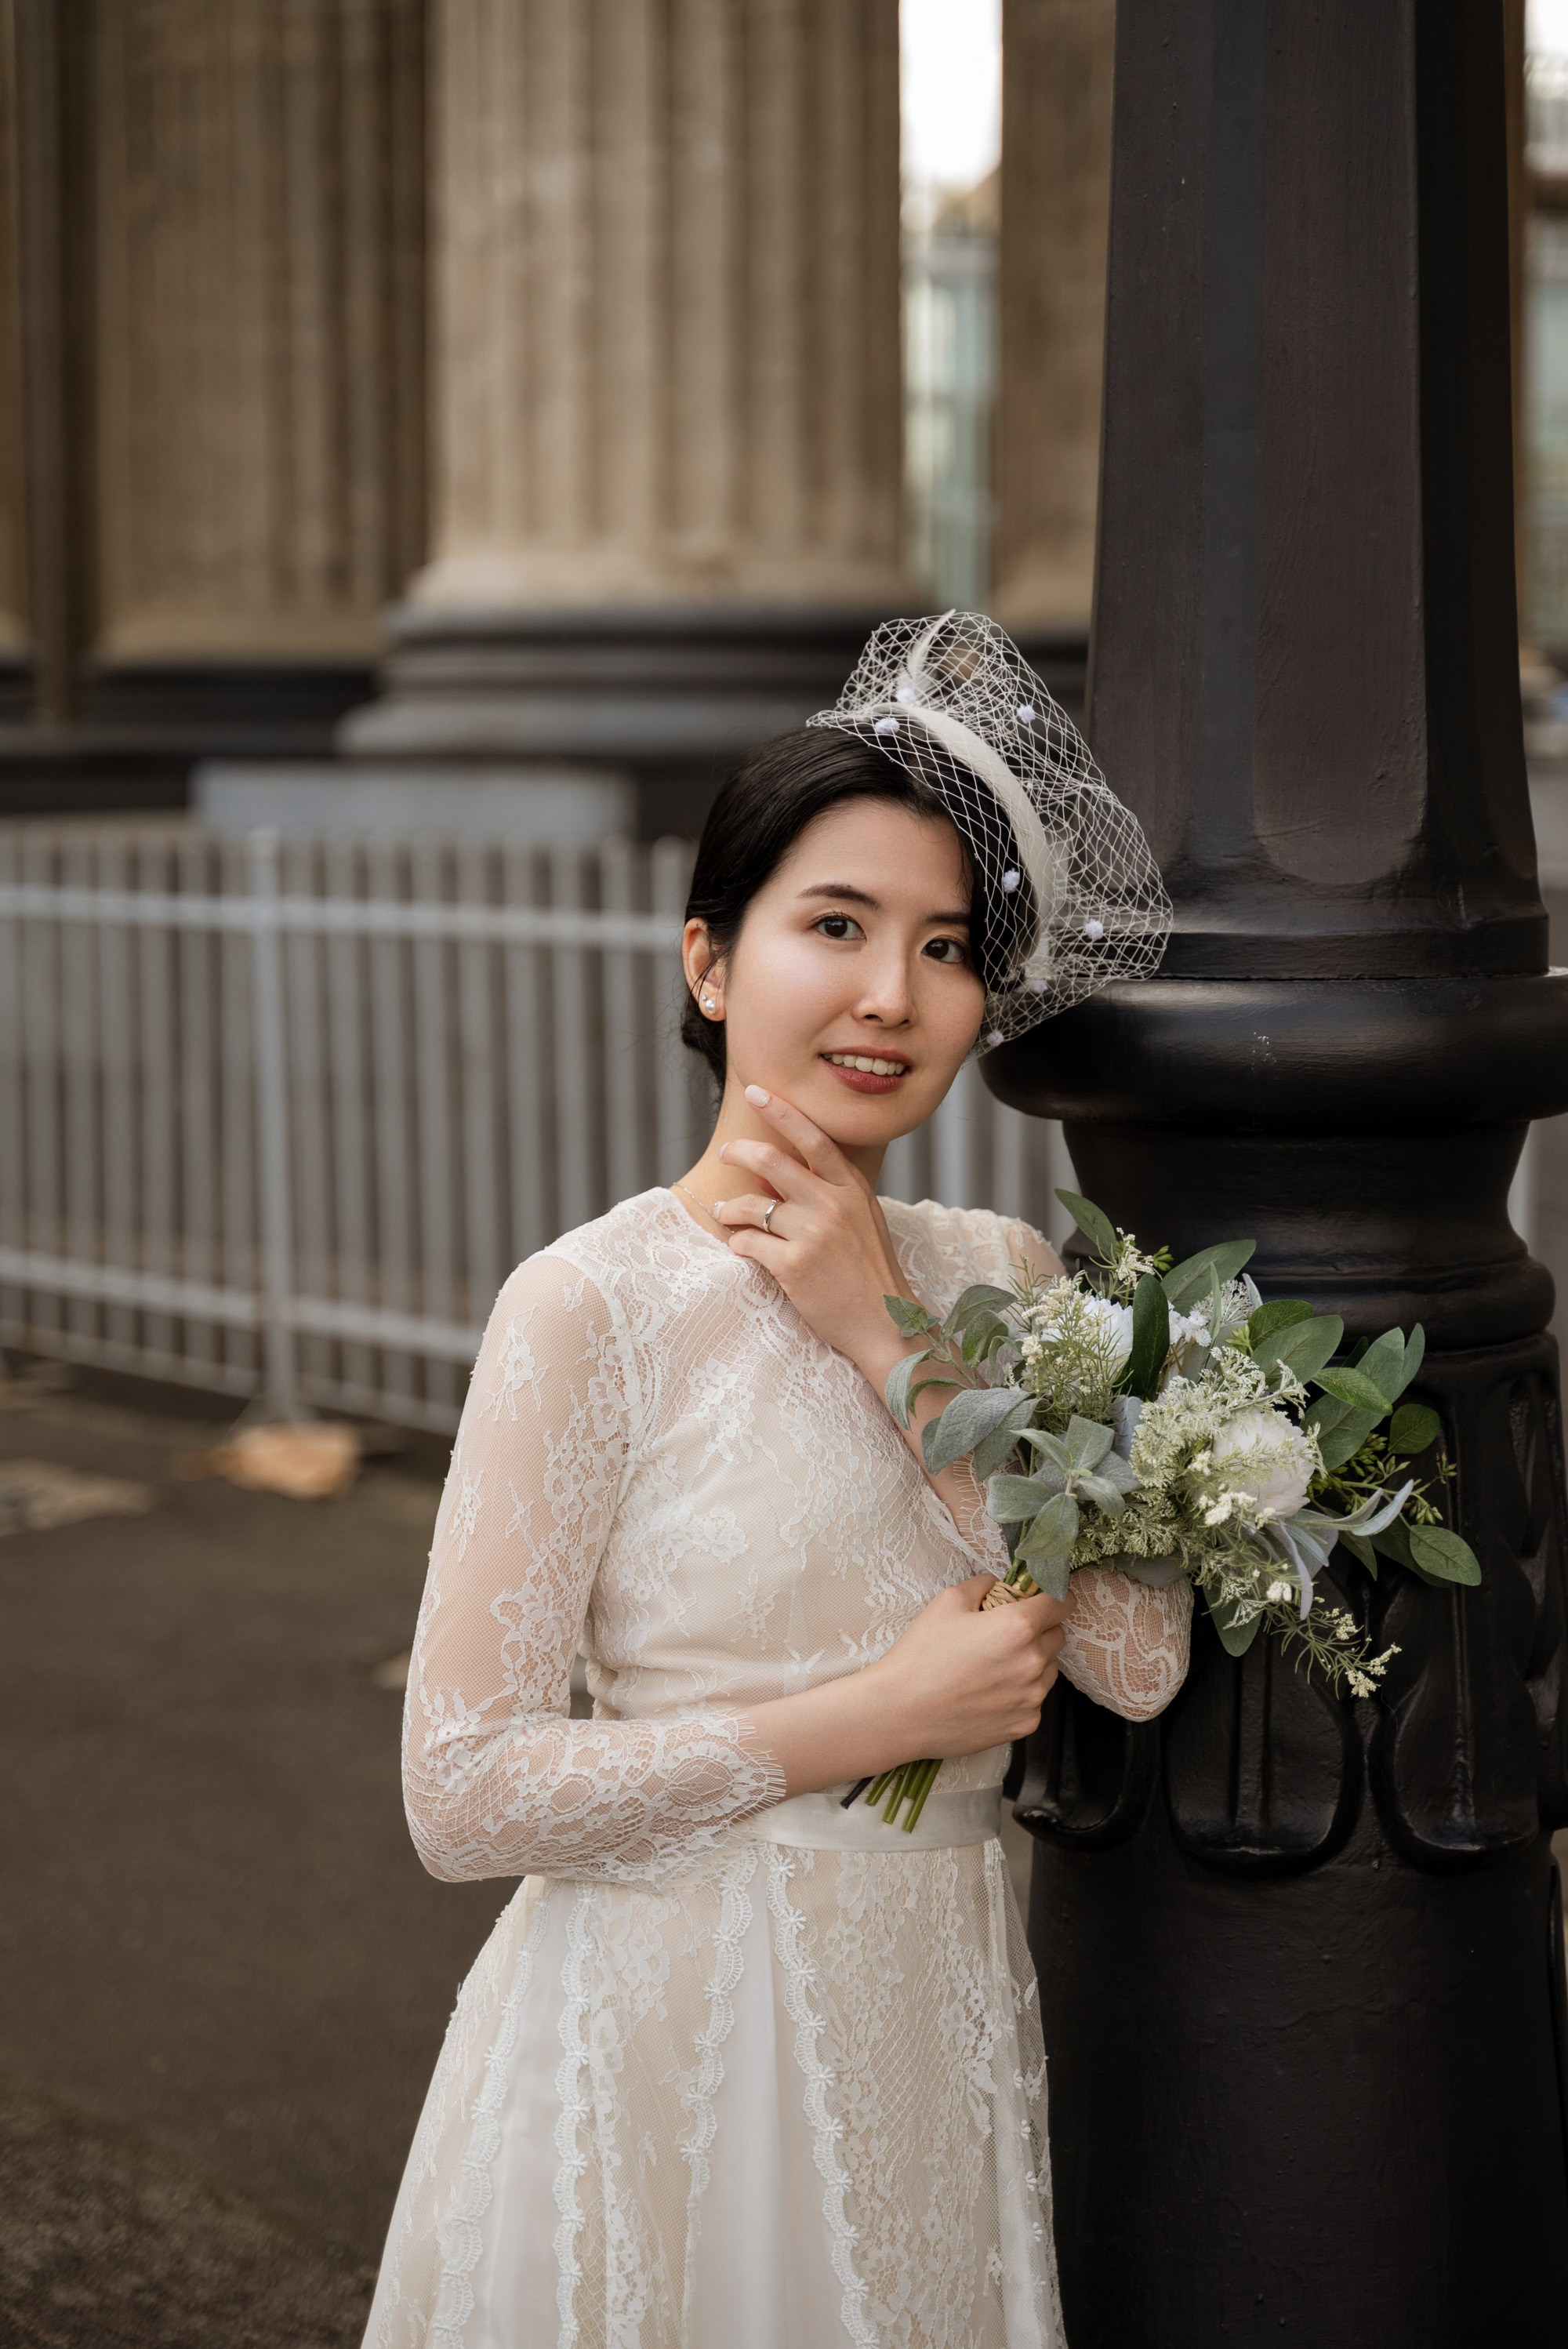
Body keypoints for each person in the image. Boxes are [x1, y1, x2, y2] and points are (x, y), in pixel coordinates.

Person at [362, 615, 1188, 2349]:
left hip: (932, 2019)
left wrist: (890, 1340)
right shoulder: (587, 1303)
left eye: (947, 946)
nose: (893, 994)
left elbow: (1133, 1659)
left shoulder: (1007, 1273)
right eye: (834, 926)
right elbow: (461, 1791)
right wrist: (874, 1711)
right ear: (711, 962)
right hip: (665, 2031)